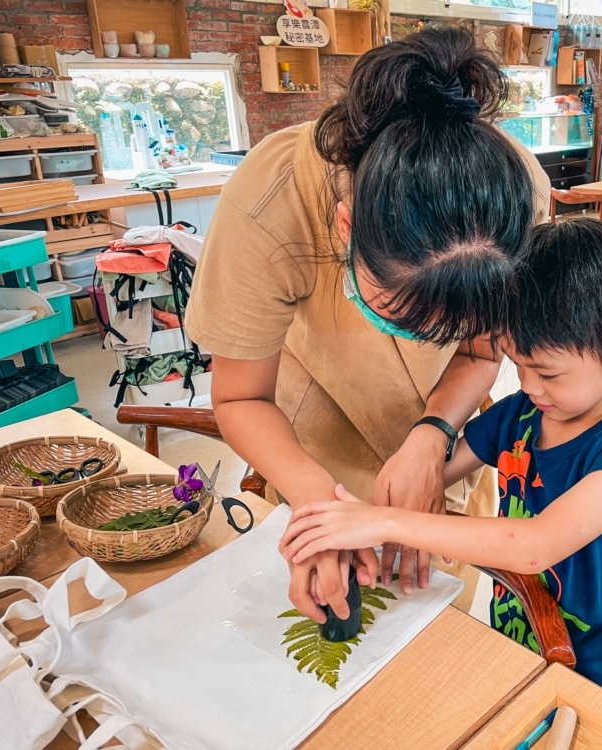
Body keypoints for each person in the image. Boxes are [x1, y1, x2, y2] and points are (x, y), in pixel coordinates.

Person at [185, 26, 551, 623]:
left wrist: (433, 435)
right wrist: (314, 506)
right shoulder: (270, 201)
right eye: (404, 315)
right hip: (311, 442)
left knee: (435, 630)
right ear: (345, 226)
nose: (427, 334)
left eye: (447, 323)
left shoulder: (511, 200)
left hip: (451, 438)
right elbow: (241, 396)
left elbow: (483, 355)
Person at [281, 219, 602, 719]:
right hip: (520, 644)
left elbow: (535, 546)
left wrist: (382, 522)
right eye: (517, 364)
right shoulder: (522, 413)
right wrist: (350, 526)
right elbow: (427, 478)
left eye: (548, 372)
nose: (529, 385)